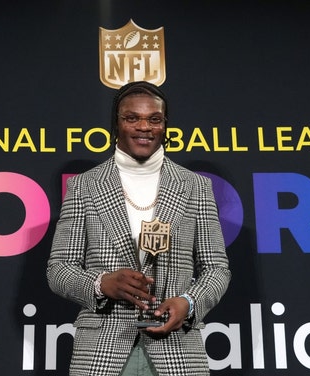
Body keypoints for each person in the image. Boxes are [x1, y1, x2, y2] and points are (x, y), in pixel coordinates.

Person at [47, 81, 231, 375]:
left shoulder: (196, 187)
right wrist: (101, 284)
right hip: (101, 353)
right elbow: (59, 269)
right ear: (116, 124)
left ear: (164, 125)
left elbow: (217, 269)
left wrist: (188, 302)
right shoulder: (83, 187)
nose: (144, 127)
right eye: (132, 118)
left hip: (177, 351)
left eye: (154, 119)